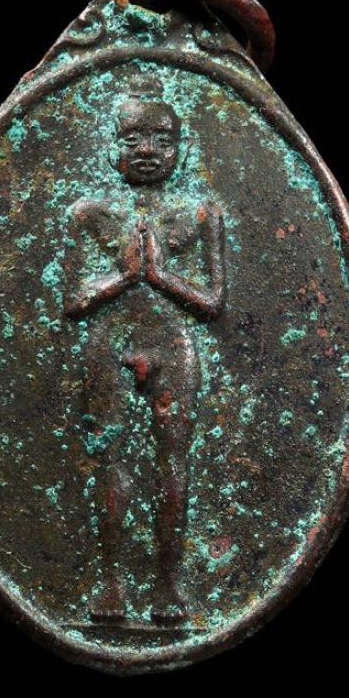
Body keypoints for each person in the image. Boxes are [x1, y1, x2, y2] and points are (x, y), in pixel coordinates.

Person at [64, 81, 226, 623]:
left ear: (181, 147)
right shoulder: (88, 212)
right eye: (133, 139)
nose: (148, 151)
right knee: (109, 459)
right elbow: (73, 301)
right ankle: (111, 584)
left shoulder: (201, 212)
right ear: (112, 146)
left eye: (162, 139)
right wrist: (122, 278)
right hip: (109, 341)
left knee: (172, 463)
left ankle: (169, 586)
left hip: (172, 344)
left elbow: (212, 303)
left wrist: (158, 277)